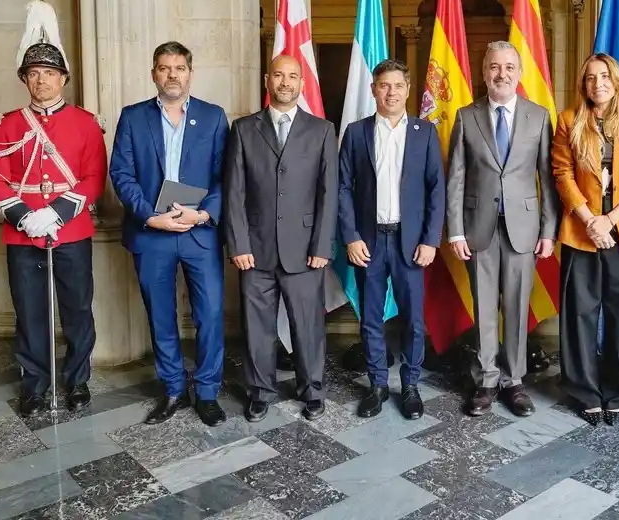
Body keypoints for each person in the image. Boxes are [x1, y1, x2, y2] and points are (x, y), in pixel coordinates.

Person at [0, 1, 107, 418]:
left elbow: (93, 177)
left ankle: (77, 382)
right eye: (33, 74)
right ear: (24, 79)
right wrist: (24, 216)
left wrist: (56, 213)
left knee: (76, 311)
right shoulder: (6, 125)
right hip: (22, 234)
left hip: (69, 231)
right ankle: (34, 386)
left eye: (49, 74)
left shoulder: (87, 124)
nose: (41, 82)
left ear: (63, 79)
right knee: (30, 314)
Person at [109, 42, 230, 427]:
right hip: (152, 234)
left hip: (199, 232)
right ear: (154, 73)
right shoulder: (132, 117)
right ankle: (174, 389)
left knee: (209, 314)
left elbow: (225, 176)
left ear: (190, 72)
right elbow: (121, 174)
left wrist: (203, 214)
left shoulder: (213, 117)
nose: (172, 75)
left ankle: (208, 392)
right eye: (164, 68)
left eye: (179, 67)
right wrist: (149, 216)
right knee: (161, 316)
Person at [446, 40, 560, 418]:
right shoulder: (466, 116)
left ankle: (514, 382)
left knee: (515, 306)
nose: (502, 74)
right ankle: (487, 381)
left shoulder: (539, 116)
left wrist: (548, 230)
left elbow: (548, 177)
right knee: (484, 307)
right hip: (479, 228)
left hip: (524, 229)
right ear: (484, 72)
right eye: (495, 67)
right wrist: (456, 231)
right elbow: (456, 180)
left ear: (520, 73)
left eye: (509, 67)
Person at [224, 54, 338, 422]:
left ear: (302, 83)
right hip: (254, 252)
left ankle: (313, 390)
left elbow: (328, 193)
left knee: (308, 325)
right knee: (257, 327)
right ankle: (260, 391)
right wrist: (238, 244)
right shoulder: (243, 129)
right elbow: (234, 193)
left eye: (293, 76)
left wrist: (322, 245)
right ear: (267, 79)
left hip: (305, 251)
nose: (285, 82)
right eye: (279, 75)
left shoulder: (321, 130)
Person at [338, 59, 445, 420]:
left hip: (411, 243)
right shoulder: (355, 133)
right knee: (371, 318)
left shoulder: (424, 132)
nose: (391, 92)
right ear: (373, 90)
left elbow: (436, 191)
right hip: (369, 242)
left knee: (413, 319)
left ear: (408, 90)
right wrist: (350, 237)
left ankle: (411, 385)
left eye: (398, 86)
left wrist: (431, 240)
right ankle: (377, 385)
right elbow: (343, 189)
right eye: (384, 86)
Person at [551, 54, 619, 426]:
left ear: (617, 82)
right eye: (591, 78)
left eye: (605, 76)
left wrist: (610, 219)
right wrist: (591, 219)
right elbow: (561, 173)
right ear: (584, 85)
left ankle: (617, 390)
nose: (598, 84)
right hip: (582, 230)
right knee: (580, 314)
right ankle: (584, 390)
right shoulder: (568, 121)